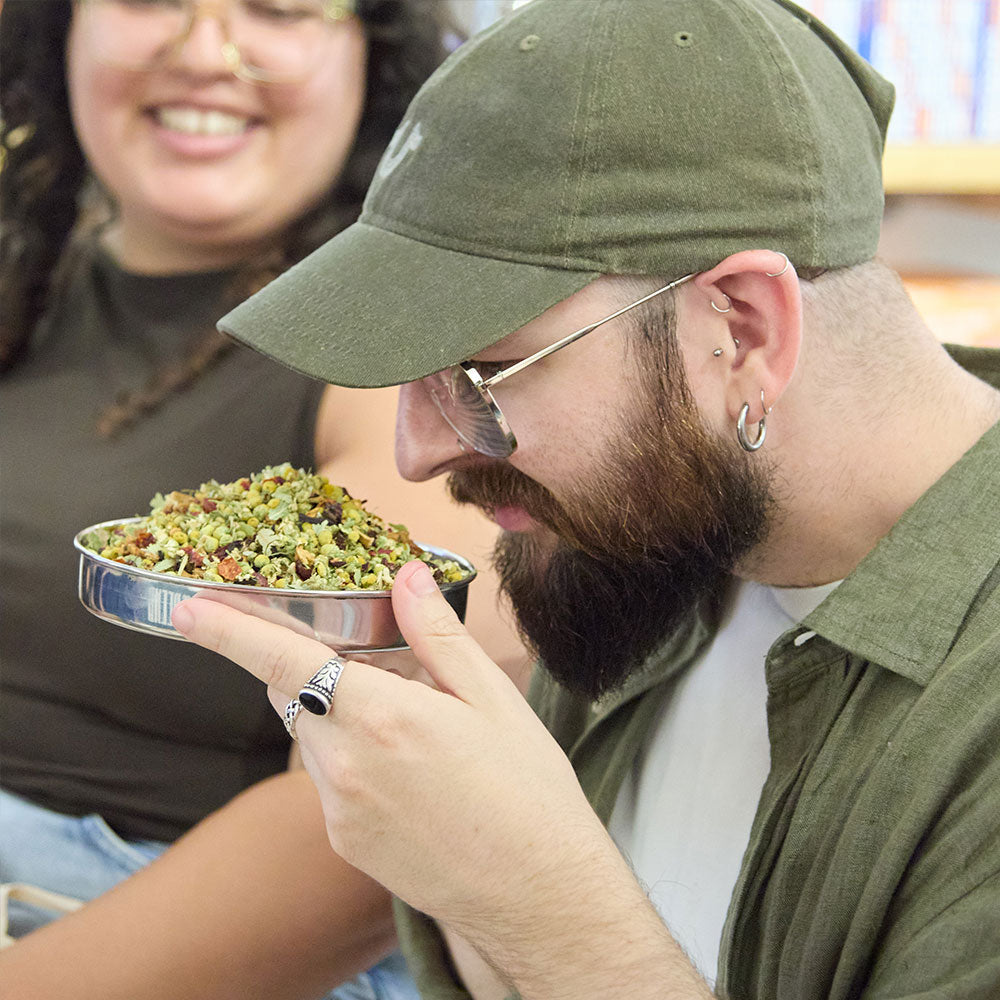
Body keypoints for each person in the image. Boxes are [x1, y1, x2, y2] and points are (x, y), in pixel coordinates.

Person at [162, 0, 1000, 997]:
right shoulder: (644, 541)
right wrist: (459, 860)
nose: (417, 454)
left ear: (741, 328)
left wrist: (536, 899)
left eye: (480, 373)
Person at [0, 1, 527, 996]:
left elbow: (377, 815)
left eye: (279, 7)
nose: (204, 52)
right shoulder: (29, 289)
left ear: (367, 54)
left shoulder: (403, 367)